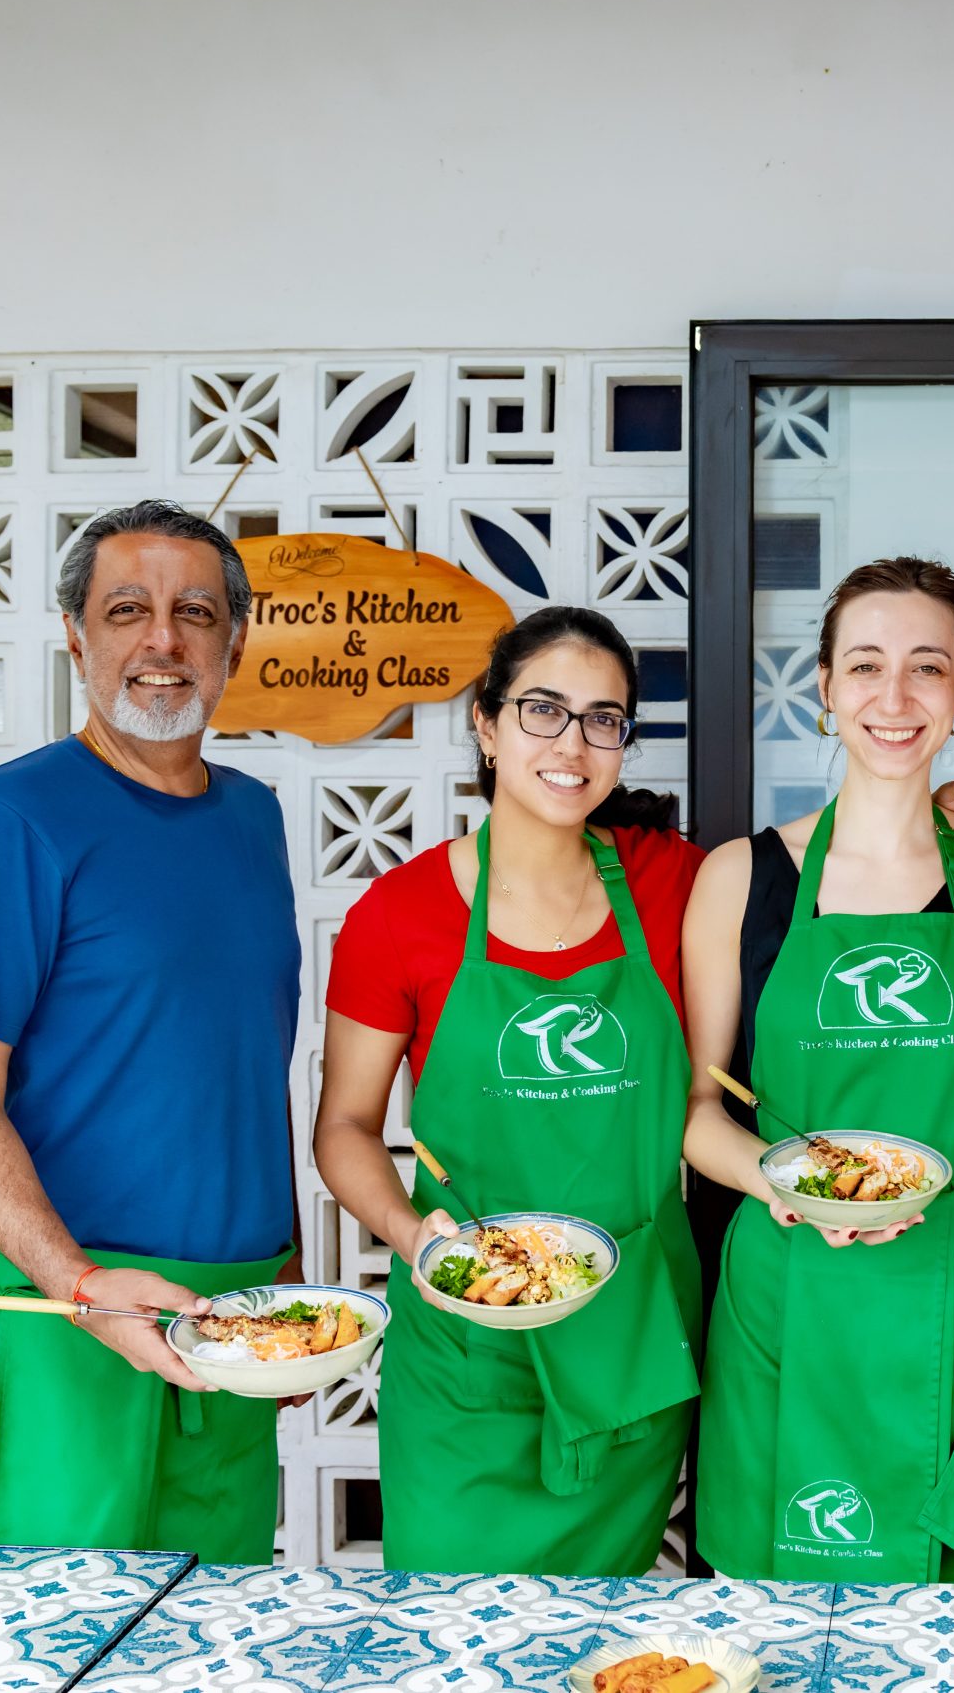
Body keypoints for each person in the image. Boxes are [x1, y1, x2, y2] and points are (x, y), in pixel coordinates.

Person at [0, 499, 301, 1562]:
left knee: (213, 1628)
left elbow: (243, 1064)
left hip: (226, 1321)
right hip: (61, 1323)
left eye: (196, 613)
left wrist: (284, 1281)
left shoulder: (254, 817)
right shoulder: (8, 821)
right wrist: (80, 1288)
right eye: (126, 610)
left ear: (234, 643)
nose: (162, 640)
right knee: (52, 1635)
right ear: (76, 638)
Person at [681, 558, 954, 1581]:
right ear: (824, 685)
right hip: (789, 1283)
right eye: (864, 665)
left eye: (926, 667)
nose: (894, 697)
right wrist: (778, 1180)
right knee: (772, 1605)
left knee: (949, 1617)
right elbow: (696, 1108)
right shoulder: (742, 877)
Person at [313, 607, 708, 1575]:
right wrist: (412, 1236)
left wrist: (946, 810)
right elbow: (345, 1128)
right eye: (542, 710)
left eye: (603, 719)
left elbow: (834, 870)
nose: (572, 744)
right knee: (450, 1630)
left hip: (629, 1334)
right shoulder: (399, 913)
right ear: (486, 725)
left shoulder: (677, 883)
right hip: (469, 1345)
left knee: (605, 1637)